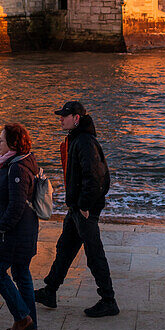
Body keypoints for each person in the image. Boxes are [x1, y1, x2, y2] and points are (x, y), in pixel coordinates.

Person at [34, 100, 119, 317]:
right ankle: (50, 291)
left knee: (94, 253)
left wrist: (84, 206)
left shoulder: (84, 141)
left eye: (64, 115)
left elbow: (97, 177)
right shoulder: (75, 139)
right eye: (61, 115)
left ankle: (109, 300)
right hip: (76, 207)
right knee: (65, 247)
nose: (60, 118)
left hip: (84, 208)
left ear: (77, 118)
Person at [0, 122, 40, 330]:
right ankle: (31, 325)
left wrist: (2, 227)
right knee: (21, 273)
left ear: (12, 144)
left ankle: (22, 318)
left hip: (16, 234)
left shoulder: (16, 168)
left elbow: (17, 204)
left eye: (2, 139)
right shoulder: (22, 161)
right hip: (27, 230)